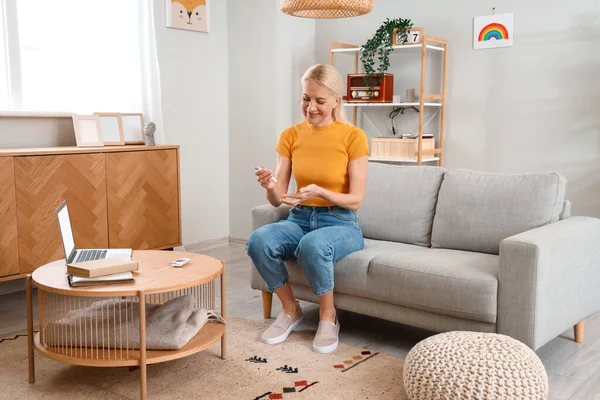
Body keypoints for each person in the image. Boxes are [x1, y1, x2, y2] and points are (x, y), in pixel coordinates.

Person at [246, 64, 369, 354]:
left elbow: (356, 200)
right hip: (299, 219)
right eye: (305, 98)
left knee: (312, 245)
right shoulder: (291, 135)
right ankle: (290, 309)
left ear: (337, 100)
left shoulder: (353, 137)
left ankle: (329, 316)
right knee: (258, 240)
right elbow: (279, 200)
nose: (310, 107)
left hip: (340, 223)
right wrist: (270, 185)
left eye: (319, 101)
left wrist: (321, 192)